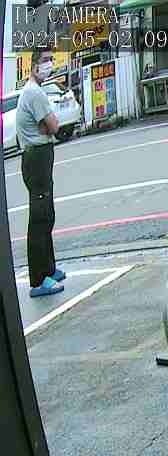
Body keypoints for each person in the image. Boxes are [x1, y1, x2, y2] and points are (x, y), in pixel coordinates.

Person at [17, 49, 65, 297]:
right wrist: (47, 125)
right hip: (36, 158)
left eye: (51, 60)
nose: (50, 64)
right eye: (45, 60)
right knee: (39, 218)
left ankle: (49, 269)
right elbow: (54, 125)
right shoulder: (34, 93)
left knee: (47, 214)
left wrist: (46, 126)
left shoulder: (36, 91)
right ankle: (38, 280)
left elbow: (49, 126)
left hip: (40, 156)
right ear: (34, 65)